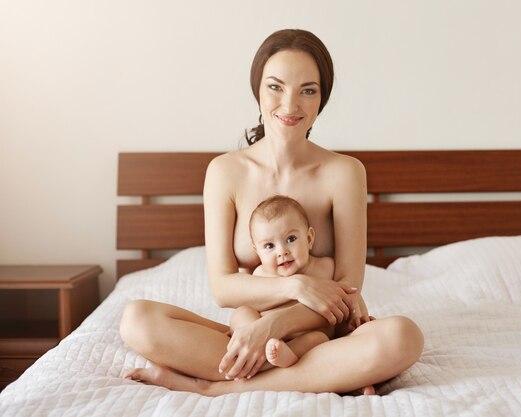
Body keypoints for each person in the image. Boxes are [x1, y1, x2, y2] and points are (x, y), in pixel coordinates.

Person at [120, 28, 424, 396]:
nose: (290, 105)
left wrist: (275, 326)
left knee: (402, 336)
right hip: (251, 331)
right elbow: (223, 287)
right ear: (258, 90)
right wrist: (293, 288)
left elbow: (346, 290)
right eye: (276, 87)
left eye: (307, 90)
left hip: (320, 335)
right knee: (136, 320)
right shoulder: (225, 172)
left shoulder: (344, 173)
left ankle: (220, 388)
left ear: (322, 98)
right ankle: (324, 375)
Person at [231, 195, 335, 371]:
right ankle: (248, 345)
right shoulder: (259, 275)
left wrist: (356, 318)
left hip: (304, 339)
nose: (282, 252)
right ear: (257, 252)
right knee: (241, 313)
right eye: (269, 246)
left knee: (319, 339)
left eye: (291, 239)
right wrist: (244, 326)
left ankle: (279, 359)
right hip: (261, 337)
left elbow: (347, 294)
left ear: (309, 239)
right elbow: (250, 303)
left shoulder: (325, 268)